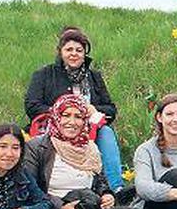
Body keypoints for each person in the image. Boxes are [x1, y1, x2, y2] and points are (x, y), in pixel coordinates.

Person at [22, 94, 136, 209]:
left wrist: (107, 195)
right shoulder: (37, 147)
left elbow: (99, 182)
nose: (72, 122)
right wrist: (62, 208)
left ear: (85, 121)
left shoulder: (90, 149)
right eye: (66, 115)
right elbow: (30, 190)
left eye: (78, 117)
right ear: (56, 117)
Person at [24, 26, 124, 191]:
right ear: (60, 52)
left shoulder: (94, 77)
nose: (74, 53)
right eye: (69, 49)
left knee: (106, 132)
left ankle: (116, 189)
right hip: (54, 128)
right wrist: (61, 113)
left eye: (79, 50)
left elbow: (111, 109)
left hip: (88, 128)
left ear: (85, 53)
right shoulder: (44, 74)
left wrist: (93, 110)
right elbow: (32, 106)